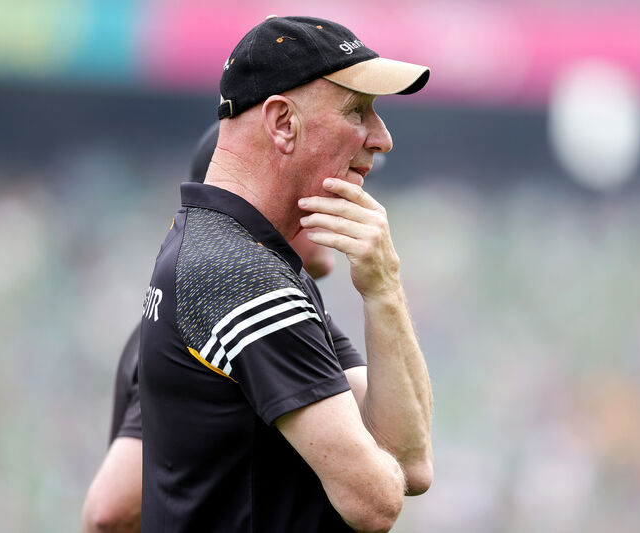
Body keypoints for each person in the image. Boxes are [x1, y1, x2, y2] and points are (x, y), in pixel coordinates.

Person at [138, 15, 433, 533]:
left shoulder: (245, 256)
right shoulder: (239, 275)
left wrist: (383, 288)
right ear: (282, 122)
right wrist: (369, 456)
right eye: (357, 110)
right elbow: (375, 502)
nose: (382, 138)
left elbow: (412, 464)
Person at [81, 122, 343, 532]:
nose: (334, 207)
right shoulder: (209, 317)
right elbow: (109, 511)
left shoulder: (260, 311)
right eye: (317, 193)